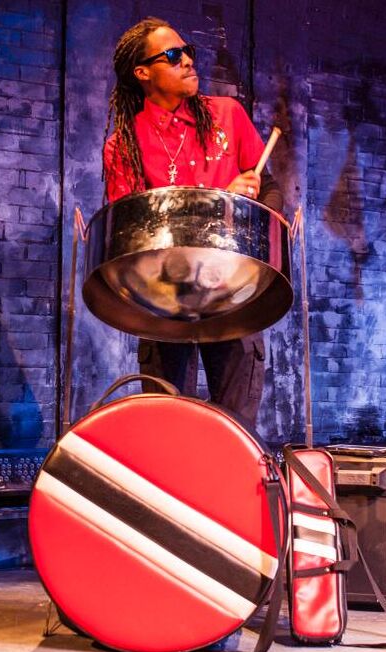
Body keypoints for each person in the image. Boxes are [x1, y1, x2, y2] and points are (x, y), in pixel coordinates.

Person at [102, 17, 283, 428]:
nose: (186, 60)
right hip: (164, 302)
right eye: (172, 55)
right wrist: (220, 203)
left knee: (235, 434)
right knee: (169, 434)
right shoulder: (124, 144)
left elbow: (269, 190)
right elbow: (132, 233)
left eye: (188, 52)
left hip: (232, 295)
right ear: (143, 72)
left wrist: (251, 210)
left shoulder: (227, 116)